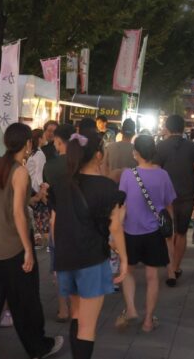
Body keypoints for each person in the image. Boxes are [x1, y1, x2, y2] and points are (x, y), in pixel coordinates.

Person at [0, 123, 63, 359]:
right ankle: (39, 347)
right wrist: (28, 250)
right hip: (14, 246)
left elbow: (12, 204)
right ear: (28, 143)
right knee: (26, 303)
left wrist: (36, 197)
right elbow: (18, 214)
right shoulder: (20, 171)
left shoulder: (2, 166)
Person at [49, 131, 128, 359]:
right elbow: (114, 228)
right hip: (91, 260)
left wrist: (57, 258)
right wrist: (124, 260)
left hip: (66, 258)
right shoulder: (106, 187)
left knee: (76, 314)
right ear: (99, 156)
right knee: (87, 326)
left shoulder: (60, 184)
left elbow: (54, 225)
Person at [116, 135, 176, 333]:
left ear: (136, 153)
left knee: (127, 272)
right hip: (154, 232)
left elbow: (122, 204)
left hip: (130, 231)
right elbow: (168, 205)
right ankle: (149, 320)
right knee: (152, 277)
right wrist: (170, 229)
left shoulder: (127, 175)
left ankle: (131, 309)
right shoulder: (163, 175)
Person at [154, 114, 194, 286]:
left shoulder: (160, 146)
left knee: (168, 233)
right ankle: (175, 267)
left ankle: (170, 271)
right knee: (181, 232)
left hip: (165, 196)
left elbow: (156, 171)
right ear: (183, 128)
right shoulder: (193, 147)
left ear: (167, 127)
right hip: (186, 195)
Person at [43, 123, 76, 323]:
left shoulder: (51, 166)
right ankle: (76, 306)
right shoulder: (81, 163)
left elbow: (48, 193)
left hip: (58, 218)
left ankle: (63, 308)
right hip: (80, 219)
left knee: (60, 265)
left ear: (58, 141)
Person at [28, 128, 50, 247]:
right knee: (42, 215)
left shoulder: (33, 153)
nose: (46, 138)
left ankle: (37, 238)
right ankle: (42, 240)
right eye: (44, 136)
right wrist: (42, 190)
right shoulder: (40, 154)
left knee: (34, 215)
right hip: (34, 188)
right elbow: (39, 175)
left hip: (30, 187)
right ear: (40, 139)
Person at [104, 118, 138, 183]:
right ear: (134, 133)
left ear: (121, 131)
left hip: (111, 186)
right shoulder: (137, 151)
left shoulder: (109, 147)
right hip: (129, 188)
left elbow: (104, 169)